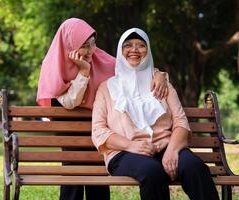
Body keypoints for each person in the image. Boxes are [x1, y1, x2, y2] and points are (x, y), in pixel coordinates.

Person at [37, 18, 168, 200]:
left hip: (99, 126)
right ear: (69, 44)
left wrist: (159, 74)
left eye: (92, 44)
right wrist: (84, 72)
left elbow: (133, 68)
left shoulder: (101, 59)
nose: (91, 51)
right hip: (70, 129)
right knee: (73, 167)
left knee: (97, 173)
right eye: (84, 46)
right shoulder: (54, 66)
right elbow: (69, 103)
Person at [92, 27, 219, 200]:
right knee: (152, 172)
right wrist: (131, 146)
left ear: (148, 50)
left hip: (166, 147)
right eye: (128, 45)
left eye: (141, 45)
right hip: (123, 153)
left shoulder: (162, 84)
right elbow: (99, 131)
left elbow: (180, 122)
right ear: (120, 51)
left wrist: (172, 151)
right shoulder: (106, 88)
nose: (134, 50)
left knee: (194, 167)